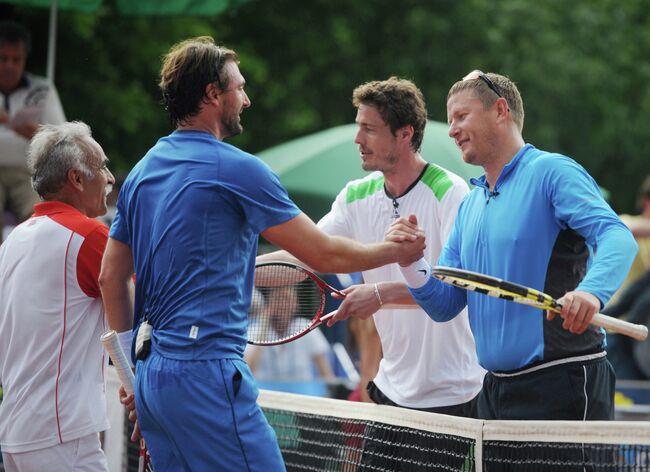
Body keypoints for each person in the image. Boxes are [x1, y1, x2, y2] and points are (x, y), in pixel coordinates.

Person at [98, 37, 424, 472]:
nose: (247, 99)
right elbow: (322, 253)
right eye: (239, 87)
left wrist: (131, 379)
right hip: (206, 374)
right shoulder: (239, 170)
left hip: (151, 374)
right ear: (213, 95)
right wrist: (393, 250)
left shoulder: (141, 172)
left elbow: (110, 278)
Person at [370, 70, 638, 421]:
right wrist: (410, 262)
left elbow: (617, 236)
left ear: (500, 110)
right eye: (450, 120)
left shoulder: (552, 171)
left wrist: (591, 293)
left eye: (461, 116)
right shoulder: (471, 203)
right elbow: (444, 304)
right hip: (494, 391)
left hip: (565, 381)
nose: (451, 130)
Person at [0, 121, 115, 471]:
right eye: (102, 167)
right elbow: (149, 292)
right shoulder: (89, 234)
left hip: (17, 430)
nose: (110, 178)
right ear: (77, 179)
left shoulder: (14, 240)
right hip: (59, 433)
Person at [0, 21, 66, 242]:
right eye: (3, 59)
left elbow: (65, 140)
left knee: (40, 218)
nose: (9, 65)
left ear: (24, 60)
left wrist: (38, 133)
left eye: (16, 59)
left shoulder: (42, 89)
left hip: (29, 173)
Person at [245, 286, 335, 384]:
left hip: (302, 393)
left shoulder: (308, 327)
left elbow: (326, 374)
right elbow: (247, 371)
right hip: (265, 392)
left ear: (296, 305)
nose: (283, 304)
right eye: (278, 299)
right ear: (269, 304)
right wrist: (264, 325)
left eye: (287, 299)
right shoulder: (255, 330)